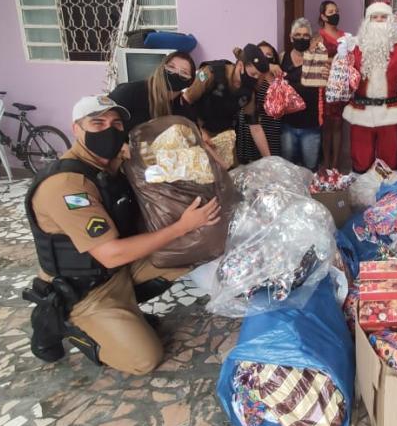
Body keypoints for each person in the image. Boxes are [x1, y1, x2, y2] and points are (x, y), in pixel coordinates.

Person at [22, 95, 221, 375]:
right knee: (144, 359)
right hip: (86, 289)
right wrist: (182, 227)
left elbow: (176, 167)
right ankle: (60, 322)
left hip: (121, 271)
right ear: (76, 129)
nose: (109, 130)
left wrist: (202, 152)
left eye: (116, 124)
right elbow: (110, 254)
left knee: (195, 249)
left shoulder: (112, 163)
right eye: (97, 123)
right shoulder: (66, 185)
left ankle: (127, 313)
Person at [343, 1, 397, 172]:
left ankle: (387, 188)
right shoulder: (354, 45)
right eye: (374, 17)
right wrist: (341, 55)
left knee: (389, 161)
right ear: (367, 21)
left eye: (383, 17)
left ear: (390, 20)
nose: (378, 20)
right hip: (361, 110)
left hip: (390, 111)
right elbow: (342, 75)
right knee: (361, 160)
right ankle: (361, 187)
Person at [108, 51, 198, 133]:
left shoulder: (185, 110)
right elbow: (103, 120)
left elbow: (194, 136)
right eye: (171, 67)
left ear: (190, 81)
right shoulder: (129, 92)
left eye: (184, 72)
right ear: (161, 68)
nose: (176, 73)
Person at [280, 18, 323, 170]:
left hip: (311, 125)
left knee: (310, 168)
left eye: (305, 35)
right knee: (287, 168)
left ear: (310, 38)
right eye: (297, 35)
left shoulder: (317, 59)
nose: (301, 38)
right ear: (291, 38)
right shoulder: (282, 57)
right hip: (287, 124)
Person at [234, 43, 281, 163]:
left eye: (268, 55)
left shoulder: (277, 76)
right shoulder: (218, 75)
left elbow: (255, 127)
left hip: (269, 125)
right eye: (261, 54)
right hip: (248, 124)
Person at [316, 0, 346, 170]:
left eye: (337, 11)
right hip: (325, 86)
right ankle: (326, 163)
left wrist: (334, 61)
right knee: (327, 126)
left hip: (340, 86)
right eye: (331, 12)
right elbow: (315, 60)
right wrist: (335, 61)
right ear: (323, 16)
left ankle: (336, 164)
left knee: (339, 125)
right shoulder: (318, 36)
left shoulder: (344, 36)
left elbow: (349, 60)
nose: (335, 14)